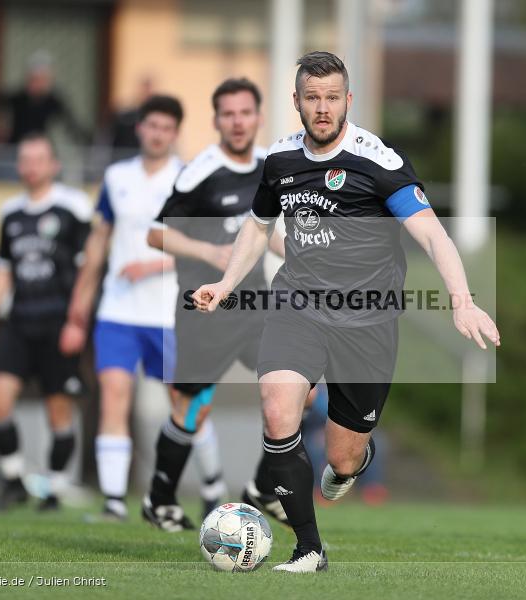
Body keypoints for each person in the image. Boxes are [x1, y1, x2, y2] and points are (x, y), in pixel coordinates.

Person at [192, 52, 500, 572]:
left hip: (367, 322)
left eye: (332, 97)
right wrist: (225, 284)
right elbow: (258, 225)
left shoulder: (377, 162)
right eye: (312, 98)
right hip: (299, 306)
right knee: (277, 408)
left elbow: (430, 232)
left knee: (342, 459)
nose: (322, 107)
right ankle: (309, 548)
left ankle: (356, 459)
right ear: (296, 102)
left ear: (348, 101)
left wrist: (462, 299)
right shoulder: (281, 161)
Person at [62, 94, 227, 523]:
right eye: (151, 126)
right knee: (114, 395)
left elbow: (205, 251)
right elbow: (98, 242)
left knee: (185, 402)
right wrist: (79, 306)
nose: (157, 134)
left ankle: (213, 486)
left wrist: (152, 264)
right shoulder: (116, 177)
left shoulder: (191, 179)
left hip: (169, 314)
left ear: (175, 133)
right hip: (117, 313)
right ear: (140, 129)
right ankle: (114, 502)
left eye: (166, 128)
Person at [146, 78, 293, 532]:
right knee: (193, 408)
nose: (237, 121)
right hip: (204, 306)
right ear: (216, 121)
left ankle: (263, 489)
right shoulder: (199, 172)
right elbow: (156, 233)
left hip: (254, 302)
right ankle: (160, 500)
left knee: (298, 385)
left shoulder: (273, 165)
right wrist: (209, 253)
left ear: (258, 116)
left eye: (245, 112)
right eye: (228, 114)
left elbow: (268, 234)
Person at [0, 134, 92, 511]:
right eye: (25, 159)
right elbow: (3, 270)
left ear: (54, 164)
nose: (31, 166)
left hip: (59, 322)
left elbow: (88, 270)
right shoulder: (10, 213)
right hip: (20, 321)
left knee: (58, 409)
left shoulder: (73, 206)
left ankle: (53, 489)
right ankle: (13, 480)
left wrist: (77, 320)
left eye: (39, 159)